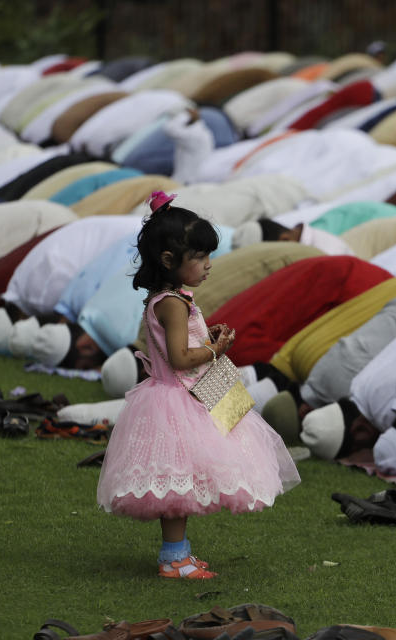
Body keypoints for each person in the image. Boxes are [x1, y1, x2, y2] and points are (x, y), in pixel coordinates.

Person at [96, 192, 300, 579]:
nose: (209, 265)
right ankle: (174, 559)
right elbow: (179, 358)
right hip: (178, 400)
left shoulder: (174, 298)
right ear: (170, 261)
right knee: (177, 483)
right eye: (201, 258)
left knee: (183, 484)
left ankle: (180, 553)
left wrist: (207, 337)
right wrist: (214, 348)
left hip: (188, 393)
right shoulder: (172, 303)